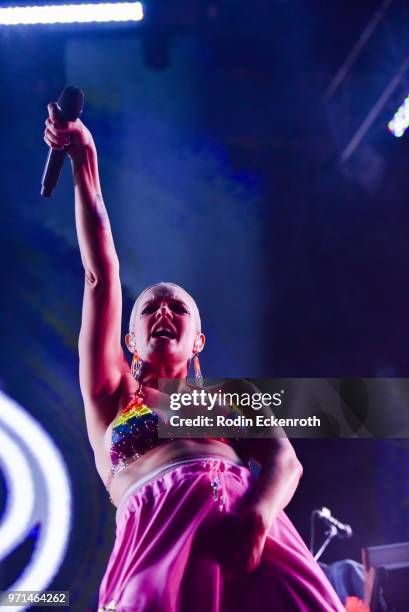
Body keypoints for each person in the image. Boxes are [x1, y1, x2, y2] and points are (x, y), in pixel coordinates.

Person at [43, 103, 345, 612]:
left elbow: (282, 459)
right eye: (148, 309)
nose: (163, 311)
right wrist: (85, 161)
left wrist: (256, 516)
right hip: (153, 541)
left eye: (177, 306)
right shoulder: (110, 398)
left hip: (245, 527)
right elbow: (101, 275)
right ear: (131, 341)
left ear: (198, 339)